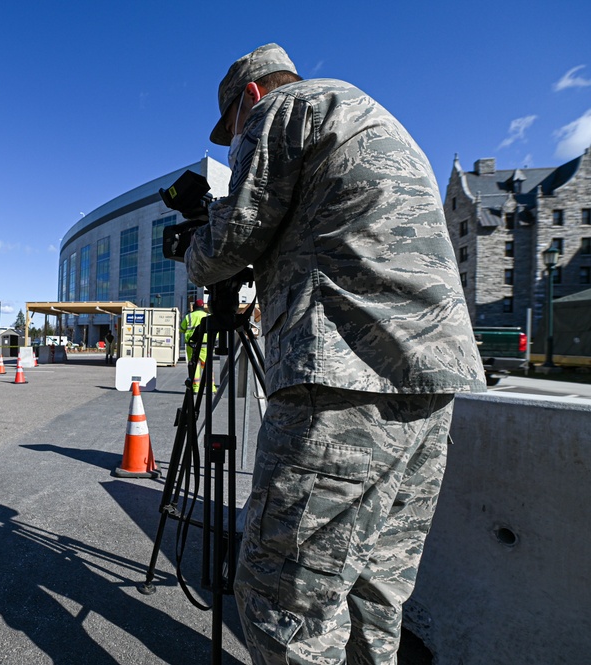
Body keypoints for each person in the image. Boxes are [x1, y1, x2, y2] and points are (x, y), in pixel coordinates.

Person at [184, 44, 485, 665]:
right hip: (430, 378)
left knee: (284, 602)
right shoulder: (366, 115)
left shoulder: (284, 110)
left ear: (251, 95)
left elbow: (233, 236)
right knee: (375, 588)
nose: (233, 140)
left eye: (231, 127)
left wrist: (194, 251)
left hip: (345, 376)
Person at [179, 299, 210, 393]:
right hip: (206, 344)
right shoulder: (207, 316)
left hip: (192, 344)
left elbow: (182, 329)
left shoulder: (189, 316)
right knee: (207, 366)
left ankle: (195, 388)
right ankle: (210, 387)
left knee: (194, 366)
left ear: (194, 307)